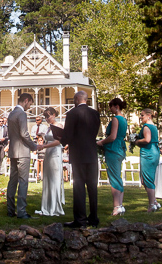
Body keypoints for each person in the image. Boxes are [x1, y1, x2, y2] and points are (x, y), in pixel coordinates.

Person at [59, 91, 100, 228]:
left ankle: (80, 220)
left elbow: (68, 135)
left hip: (78, 154)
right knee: (92, 187)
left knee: (79, 187)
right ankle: (94, 218)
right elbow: (94, 132)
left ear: (77, 99)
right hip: (92, 153)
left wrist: (62, 139)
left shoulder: (72, 114)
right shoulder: (95, 113)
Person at [6, 93, 39, 219]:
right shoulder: (22, 114)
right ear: (26, 100)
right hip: (23, 152)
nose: (29, 106)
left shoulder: (11, 113)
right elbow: (24, 134)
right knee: (23, 182)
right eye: (30, 103)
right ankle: (21, 212)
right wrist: (33, 146)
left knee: (12, 181)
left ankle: (10, 210)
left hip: (13, 151)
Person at [97, 98, 128, 216]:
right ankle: (120, 205)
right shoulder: (124, 119)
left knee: (114, 178)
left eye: (111, 106)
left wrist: (101, 142)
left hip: (113, 149)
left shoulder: (116, 119)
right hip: (120, 148)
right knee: (117, 176)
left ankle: (116, 206)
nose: (110, 109)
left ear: (117, 107)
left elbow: (113, 136)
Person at [36, 107, 65, 216]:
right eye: (45, 117)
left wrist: (44, 146)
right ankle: (46, 206)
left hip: (55, 153)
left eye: (48, 116)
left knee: (54, 179)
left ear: (54, 115)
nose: (47, 119)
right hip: (48, 153)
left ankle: (54, 206)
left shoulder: (59, 126)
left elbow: (58, 141)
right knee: (47, 178)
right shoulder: (48, 128)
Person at [135, 108, 161, 213]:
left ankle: (151, 205)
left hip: (148, 153)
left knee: (148, 179)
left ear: (148, 115)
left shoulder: (146, 127)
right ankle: (154, 202)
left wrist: (136, 141)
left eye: (142, 115)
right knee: (145, 179)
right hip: (154, 152)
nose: (140, 117)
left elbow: (147, 139)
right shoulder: (154, 127)